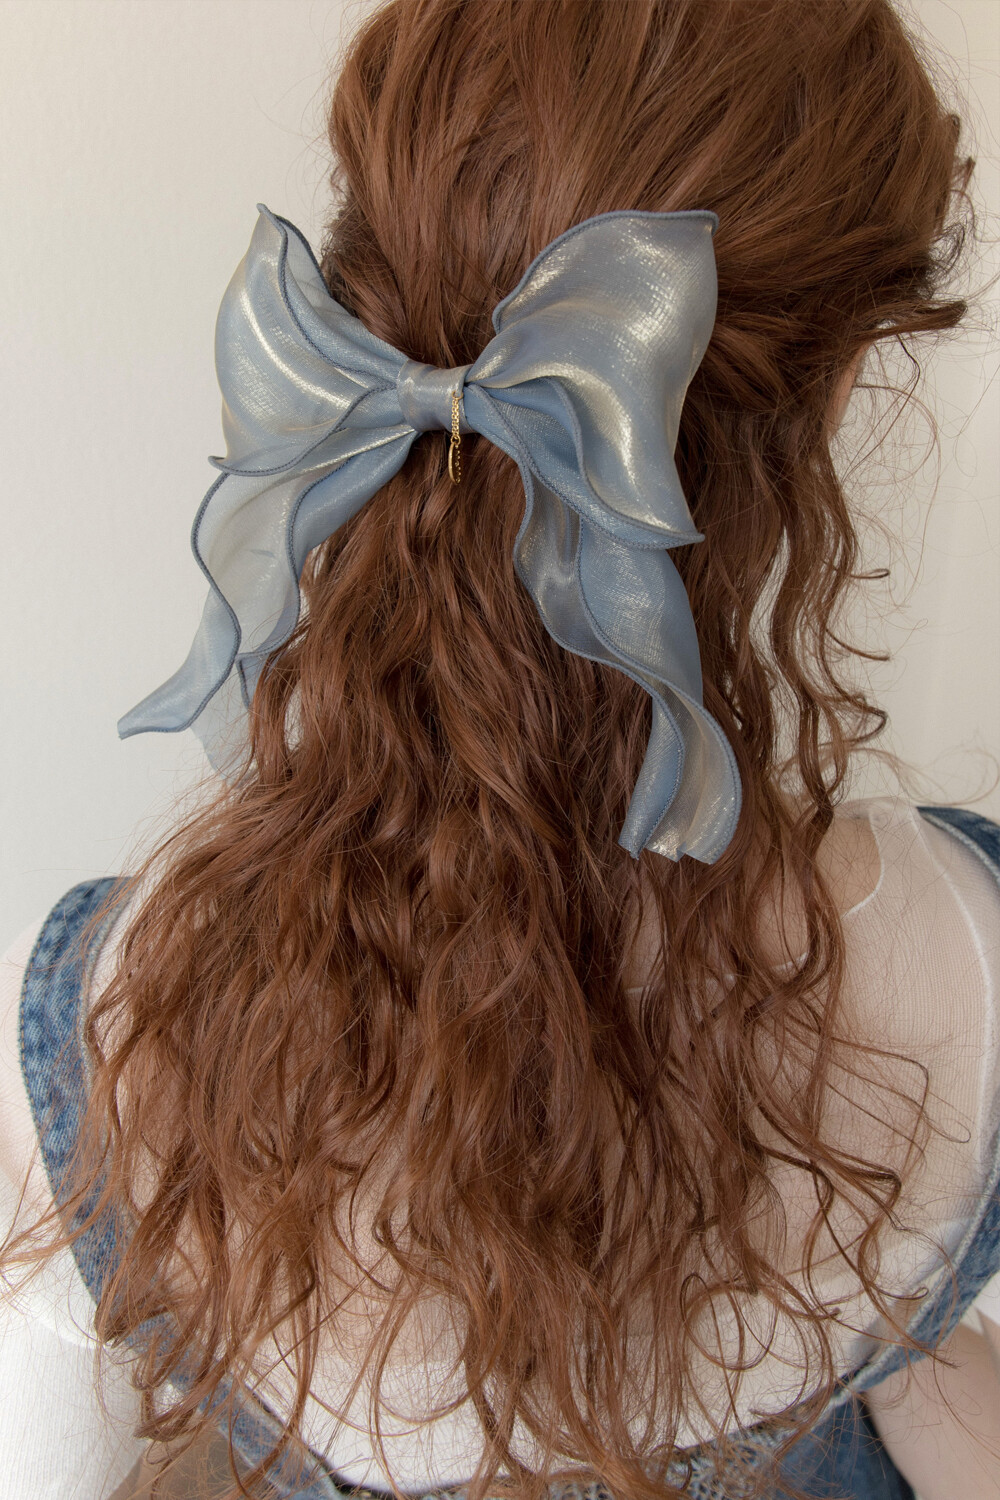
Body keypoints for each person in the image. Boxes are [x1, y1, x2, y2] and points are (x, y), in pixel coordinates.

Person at [1, 1, 998, 1498]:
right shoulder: (970, 963)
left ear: (352, 315)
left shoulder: (120, 1026)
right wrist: (879, 1301)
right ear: (843, 380)